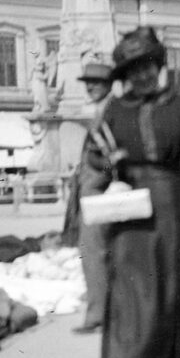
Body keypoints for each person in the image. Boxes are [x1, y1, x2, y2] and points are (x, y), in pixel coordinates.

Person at [87, 26, 180, 358]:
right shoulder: (113, 108)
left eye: (149, 66)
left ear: (159, 67)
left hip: (173, 199)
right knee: (133, 278)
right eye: (135, 69)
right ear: (126, 76)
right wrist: (105, 159)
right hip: (129, 200)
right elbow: (94, 154)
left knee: (176, 273)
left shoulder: (179, 105)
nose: (144, 74)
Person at [67, 57, 115, 334]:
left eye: (96, 83)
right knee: (95, 253)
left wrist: (100, 166)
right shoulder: (103, 110)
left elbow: (113, 155)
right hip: (93, 190)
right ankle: (102, 310)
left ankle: (98, 315)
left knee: (94, 253)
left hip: (99, 192)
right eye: (88, 83)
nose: (90, 88)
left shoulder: (109, 112)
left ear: (108, 84)